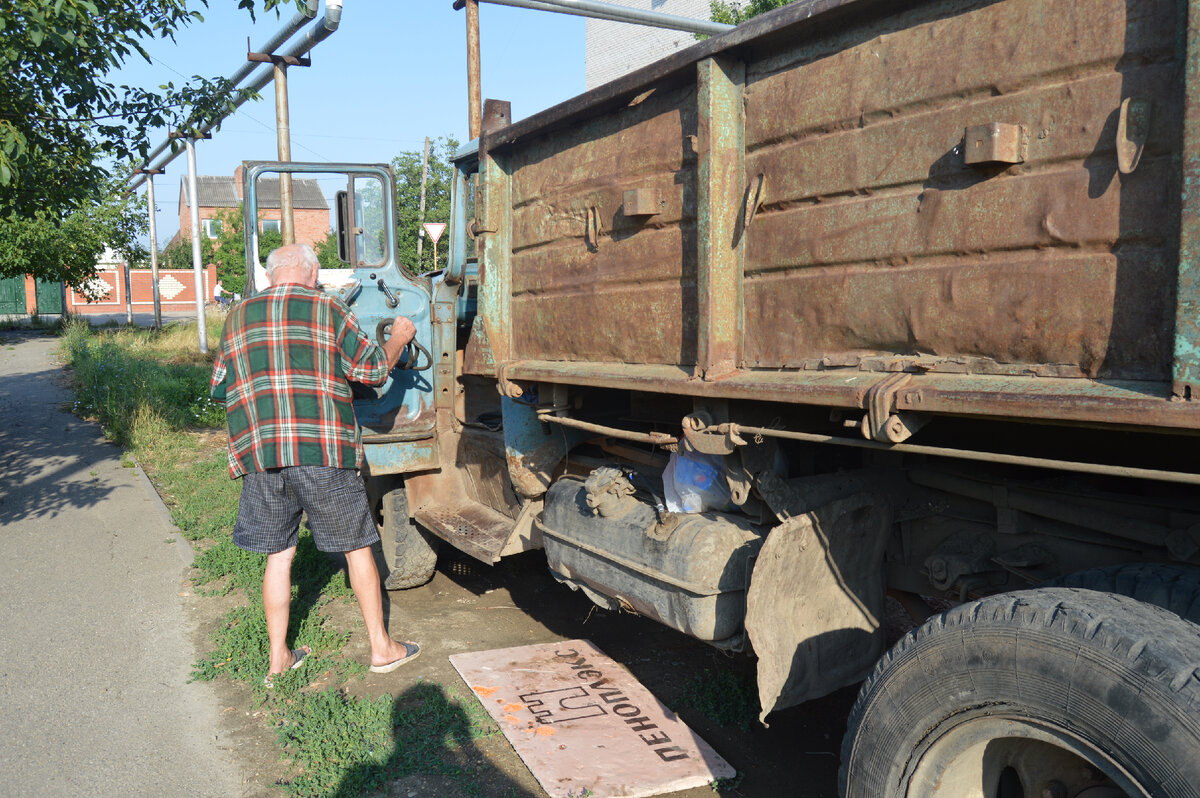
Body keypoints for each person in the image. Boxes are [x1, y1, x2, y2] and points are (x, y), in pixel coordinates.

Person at [209, 243, 421, 685]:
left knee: (280, 556)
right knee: (357, 546)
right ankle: (381, 648)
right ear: (310, 273)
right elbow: (371, 371)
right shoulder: (327, 307)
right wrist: (398, 336)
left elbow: (219, 385)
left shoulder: (238, 315)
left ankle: (278, 659)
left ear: (271, 275)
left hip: (263, 455)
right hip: (322, 451)